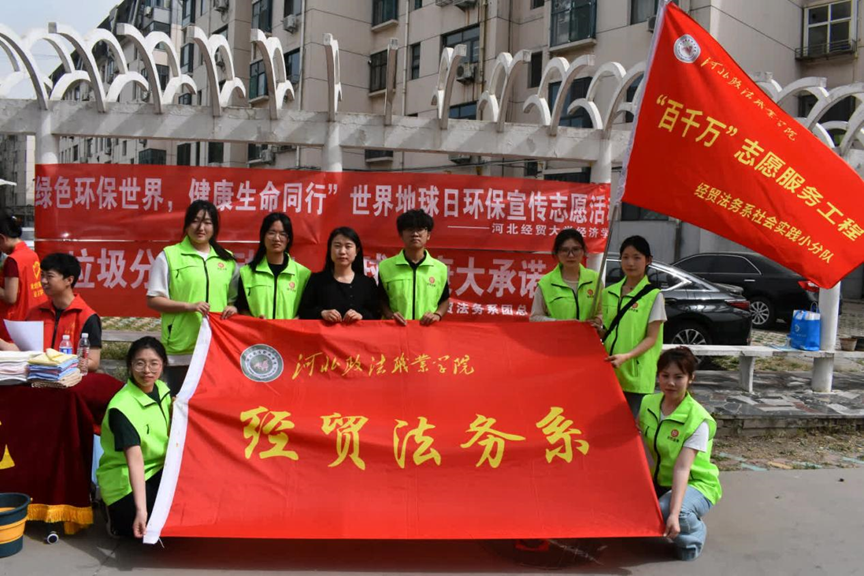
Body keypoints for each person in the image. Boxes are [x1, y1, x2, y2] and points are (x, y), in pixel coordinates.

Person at [146, 200, 238, 395]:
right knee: (178, 400)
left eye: (207, 222)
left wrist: (233, 307)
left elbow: (234, 299)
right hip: (181, 347)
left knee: (212, 401)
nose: (201, 228)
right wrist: (189, 306)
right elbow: (153, 299)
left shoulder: (227, 260)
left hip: (216, 346)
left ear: (215, 227)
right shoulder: (169, 256)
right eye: (195, 221)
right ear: (186, 224)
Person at [639, 346, 722, 561]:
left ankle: (694, 534)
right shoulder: (648, 404)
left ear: (690, 378)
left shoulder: (698, 420)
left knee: (668, 511)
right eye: (665, 375)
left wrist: (674, 514)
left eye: (679, 377)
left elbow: (682, 469)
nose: (671, 383)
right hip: (659, 480)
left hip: (696, 484)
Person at [96, 337, 172, 539]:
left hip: (158, 469)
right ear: (130, 365)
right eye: (140, 363)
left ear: (163, 364)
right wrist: (141, 510)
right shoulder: (122, 408)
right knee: (157, 519)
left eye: (154, 363)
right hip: (125, 482)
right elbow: (135, 462)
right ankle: (113, 514)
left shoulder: (163, 391)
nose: (147, 370)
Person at [601, 235, 666, 418]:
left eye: (637, 257)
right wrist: (596, 330)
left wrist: (627, 356)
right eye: (626, 257)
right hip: (610, 372)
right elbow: (609, 331)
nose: (630, 263)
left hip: (636, 375)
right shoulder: (608, 293)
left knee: (631, 426)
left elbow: (652, 338)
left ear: (648, 260)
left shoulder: (654, 296)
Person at [7, 253, 103, 371]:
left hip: (70, 379)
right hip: (37, 377)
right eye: (42, 275)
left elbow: (93, 362)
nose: (43, 281)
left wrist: (64, 364)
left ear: (69, 280)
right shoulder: (34, 313)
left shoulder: (87, 317)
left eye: (49, 276)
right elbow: (21, 349)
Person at [378, 209, 449, 326]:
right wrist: (390, 315)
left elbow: (445, 299)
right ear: (401, 235)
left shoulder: (440, 268)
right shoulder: (385, 266)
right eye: (410, 229)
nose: (415, 234)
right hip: (395, 329)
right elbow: (381, 299)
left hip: (427, 330)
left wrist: (437, 315)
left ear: (428, 235)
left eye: (420, 229)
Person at [236, 212, 310, 320]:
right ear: (263, 236)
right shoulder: (246, 272)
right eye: (271, 233)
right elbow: (241, 307)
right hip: (257, 330)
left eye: (282, 234)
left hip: (290, 330)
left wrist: (294, 323)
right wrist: (255, 321)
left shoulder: (303, 274)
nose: (276, 238)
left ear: (288, 239)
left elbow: (307, 310)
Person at [299, 227, 380, 322]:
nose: (342, 251)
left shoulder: (367, 284)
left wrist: (361, 316)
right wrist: (322, 313)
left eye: (348, 246)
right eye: (337, 246)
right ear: (330, 249)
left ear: (357, 251)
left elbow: (377, 314)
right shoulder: (316, 280)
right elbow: (303, 311)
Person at [531, 228, 602, 324]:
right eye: (565, 250)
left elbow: (603, 311)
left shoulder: (595, 279)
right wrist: (561, 323)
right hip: (557, 333)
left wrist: (597, 320)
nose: (571, 255)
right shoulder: (546, 283)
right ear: (557, 253)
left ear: (583, 251)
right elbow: (535, 317)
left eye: (575, 249)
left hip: (587, 334)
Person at [0, 212, 47, 342]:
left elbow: (10, 297)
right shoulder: (31, 254)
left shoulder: (13, 260)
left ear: (2, 238)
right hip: (35, 319)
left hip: (16, 324)